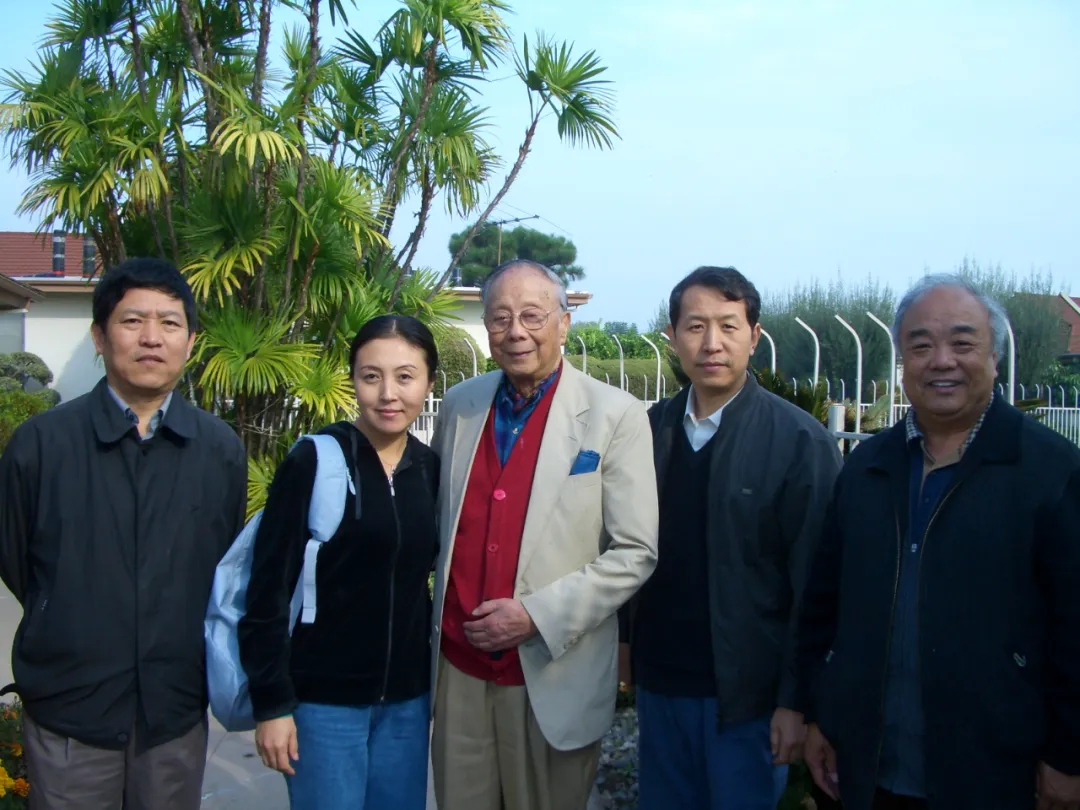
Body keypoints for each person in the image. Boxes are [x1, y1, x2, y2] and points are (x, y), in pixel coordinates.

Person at [796, 274, 1080, 810]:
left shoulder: (1048, 470)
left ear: (994, 356)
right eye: (921, 345)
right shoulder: (868, 468)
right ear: (903, 361)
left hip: (996, 774)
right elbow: (825, 607)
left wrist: (1069, 756)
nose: (942, 361)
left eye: (962, 343)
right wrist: (819, 714)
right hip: (870, 768)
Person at [0, 258, 247, 810]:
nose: (151, 338)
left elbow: (221, 565)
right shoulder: (41, 445)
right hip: (70, 707)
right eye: (133, 321)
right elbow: (17, 561)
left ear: (190, 341)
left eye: (170, 323)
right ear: (99, 336)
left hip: (173, 709)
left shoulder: (218, 450)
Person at [428, 260, 659, 810]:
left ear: (563, 323)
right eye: (500, 317)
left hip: (554, 673)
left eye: (532, 315)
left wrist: (536, 615)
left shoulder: (614, 414)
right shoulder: (461, 405)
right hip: (459, 673)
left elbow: (635, 551)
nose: (516, 331)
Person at [617, 266, 843, 810]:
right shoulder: (646, 432)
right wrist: (625, 647)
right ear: (672, 337)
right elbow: (622, 549)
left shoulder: (799, 442)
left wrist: (797, 702)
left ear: (755, 336)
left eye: (728, 326)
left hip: (749, 698)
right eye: (695, 327)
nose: (712, 343)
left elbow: (819, 586)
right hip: (662, 684)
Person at [238, 314, 440, 810]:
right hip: (322, 704)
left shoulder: (429, 469)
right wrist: (272, 704)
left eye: (405, 377)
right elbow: (266, 591)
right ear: (353, 380)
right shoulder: (314, 460)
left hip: (407, 703)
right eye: (371, 376)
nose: (388, 394)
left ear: (430, 383)